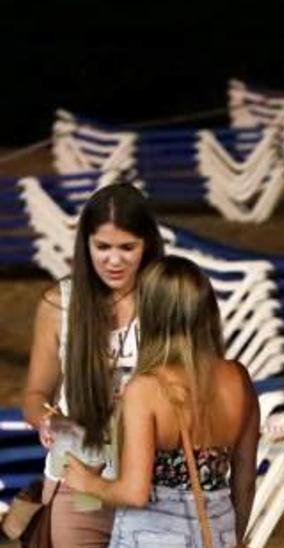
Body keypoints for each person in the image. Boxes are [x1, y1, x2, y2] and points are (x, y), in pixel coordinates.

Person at [64, 256, 261, 548]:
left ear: (151, 313)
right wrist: (233, 536)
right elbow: (244, 481)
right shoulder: (238, 378)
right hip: (219, 529)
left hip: (151, 533)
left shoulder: (146, 389)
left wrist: (85, 482)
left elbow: (134, 491)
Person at [22, 183, 163, 547]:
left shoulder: (166, 300)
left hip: (153, 478)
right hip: (79, 473)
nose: (113, 260)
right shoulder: (59, 305)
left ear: (147, 244)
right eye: (102, 247)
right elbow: (35, 395)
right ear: (85, 245)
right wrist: (48, 418)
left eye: (126, 248)